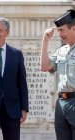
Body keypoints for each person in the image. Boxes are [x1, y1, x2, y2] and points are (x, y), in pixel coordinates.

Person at [40, 9, 75, 140]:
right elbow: (44, 66)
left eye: (62, 30)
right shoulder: (61, 51)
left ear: (74, 28)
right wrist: (45, 41)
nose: (59, 34)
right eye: (58, 30)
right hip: (61, 103)